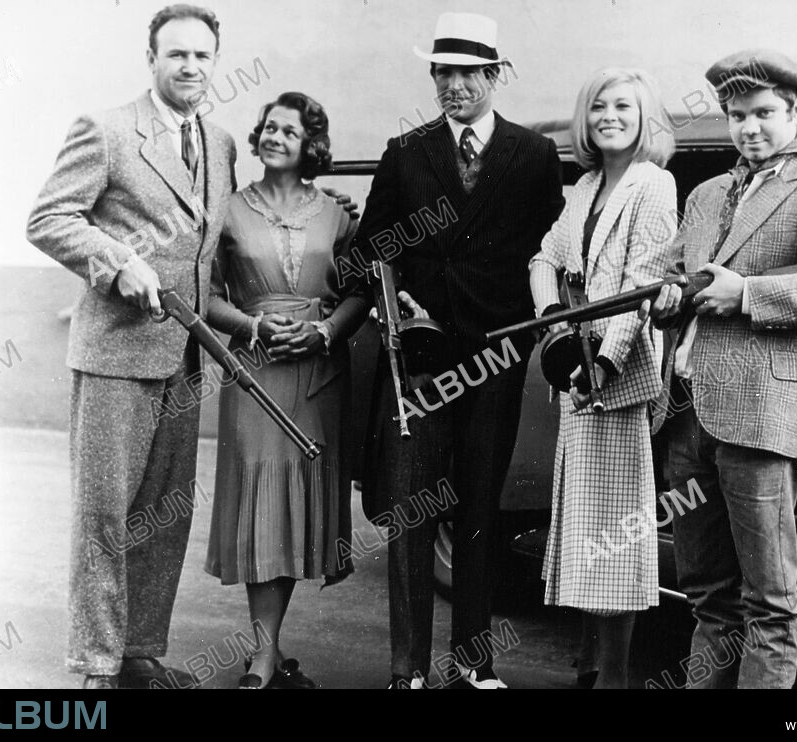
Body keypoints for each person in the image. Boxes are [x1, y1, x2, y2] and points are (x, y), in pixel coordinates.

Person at [646, 49, 797, 688]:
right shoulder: (706, 194)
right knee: (707, 597)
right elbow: (674, 281)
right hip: (688, 414)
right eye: (737, 115)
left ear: (795, 111)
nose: (750, 128)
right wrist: (665, 298)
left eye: (764, 113)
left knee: (771, 604)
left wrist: (746, 294)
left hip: (760, 416)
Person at [26, 4, 236, 689]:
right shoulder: (109, 130)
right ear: (152, 59)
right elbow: (49, 218)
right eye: (176, 54)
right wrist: (119, 263)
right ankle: (94, 665)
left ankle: (139, 651)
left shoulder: (222, 142)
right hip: (116, 354)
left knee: (162, 514)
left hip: (186, 355)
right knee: (103, 515)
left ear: (215, 61)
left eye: (202, 56)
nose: (190, 67)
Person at [353, 12, 564, 689]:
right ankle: (407, 671)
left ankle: (473, 666)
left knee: (479, 511)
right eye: (443, 72)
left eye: (469, 72)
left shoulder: (531, 155)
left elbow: (549, 254)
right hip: (419, 360)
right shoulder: (406, 151)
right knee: (412, 515)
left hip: (496, 358)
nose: (455, 85)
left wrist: (532, 332)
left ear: (495, 76)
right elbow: (369, 250)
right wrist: (396, 299)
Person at [203, 92, 366, 689]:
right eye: (268, 127)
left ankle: (270, 651)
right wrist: (252, 324)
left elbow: (360, 293)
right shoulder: (226, 210)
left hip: (318, 375)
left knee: (297, 506)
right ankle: (263, 656)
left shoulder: (338, 213)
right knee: (261, 504)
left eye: (288, 132)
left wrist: (324, 332)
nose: (274, 136)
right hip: (254, 369)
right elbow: (207, 296)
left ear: (310, 146)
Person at [529, 67, 676, 689]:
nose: (609, 116)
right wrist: (551, 321)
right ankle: (591, 667)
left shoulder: (654, 184)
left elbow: (640, 285)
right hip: (581, 372)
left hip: (617, 377)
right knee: (587, 526)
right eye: (598, 108)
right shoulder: (586, 185)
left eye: (623, 106)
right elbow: (545, 258)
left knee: (615, 535)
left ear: (646, 119)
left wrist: (605, 365)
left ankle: (613, 676)